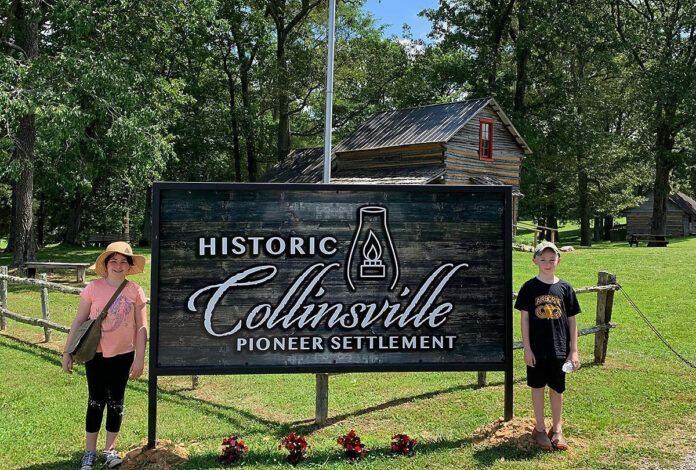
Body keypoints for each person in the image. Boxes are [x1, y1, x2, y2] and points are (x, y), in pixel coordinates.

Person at [62, 241, 148, 469]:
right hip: (96, 353)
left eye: (123, 262)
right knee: (95, 400)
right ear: (106, 264)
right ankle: (89, 451)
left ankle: (110, 449)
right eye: (113, 261)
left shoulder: (135, 291)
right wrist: (67, 351)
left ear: (129, 267)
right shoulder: (93, 288)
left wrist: (140, 358)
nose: (118, 266)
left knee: (116, 401)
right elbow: (79, 321)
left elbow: (142, 327)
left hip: (124, 354)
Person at [514, 241, 581, 451]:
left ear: (558, 261)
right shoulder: (529, 287)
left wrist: (574, 350)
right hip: (536, 349)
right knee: (537, 387)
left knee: (557, 389)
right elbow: (524, 319)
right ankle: (541, 428)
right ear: (534, 260)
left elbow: (572, 320)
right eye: (543, 259)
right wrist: (527, 348)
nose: (548, 263)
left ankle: (557, 428)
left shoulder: (565, 288)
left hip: (559, 348)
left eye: (552, 259)